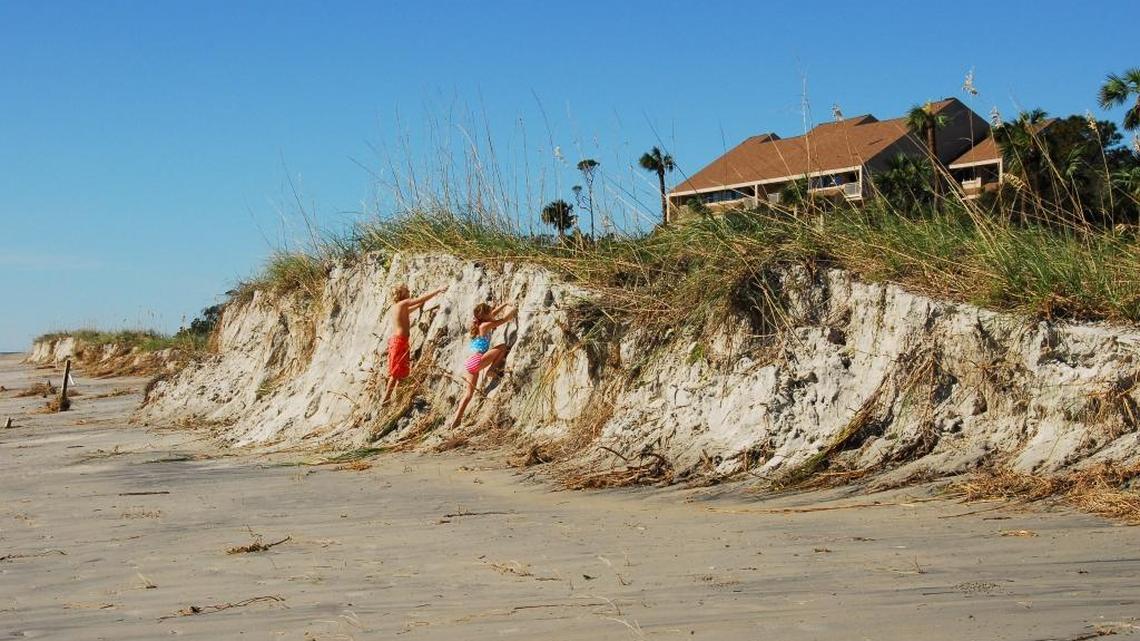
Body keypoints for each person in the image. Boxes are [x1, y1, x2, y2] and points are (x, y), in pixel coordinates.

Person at [448, 301, 517, 429]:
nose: (492, 312)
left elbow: (493, 313)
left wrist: (505, 304)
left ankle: (456, 420)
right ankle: (492, 370)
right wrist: (513, 309)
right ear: (485, 316)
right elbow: (504, 319)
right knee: (502, 347)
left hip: (470, 363)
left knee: (468, 395)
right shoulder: (486, 325)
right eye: (490, 311)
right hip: (478, 359)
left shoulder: (480, 324)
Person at [382, 283, 447, 405]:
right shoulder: (403, 304)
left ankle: (398, 399)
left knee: (400, 372)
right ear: (401, 294)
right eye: (407, 291)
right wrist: (438, 290)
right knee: (396, 372)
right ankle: (386, 397)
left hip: (399, 341)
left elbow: (415, 306)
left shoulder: (397, 306)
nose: (409, 292)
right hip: (399, 342)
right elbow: (420, 299)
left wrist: (422, 305)